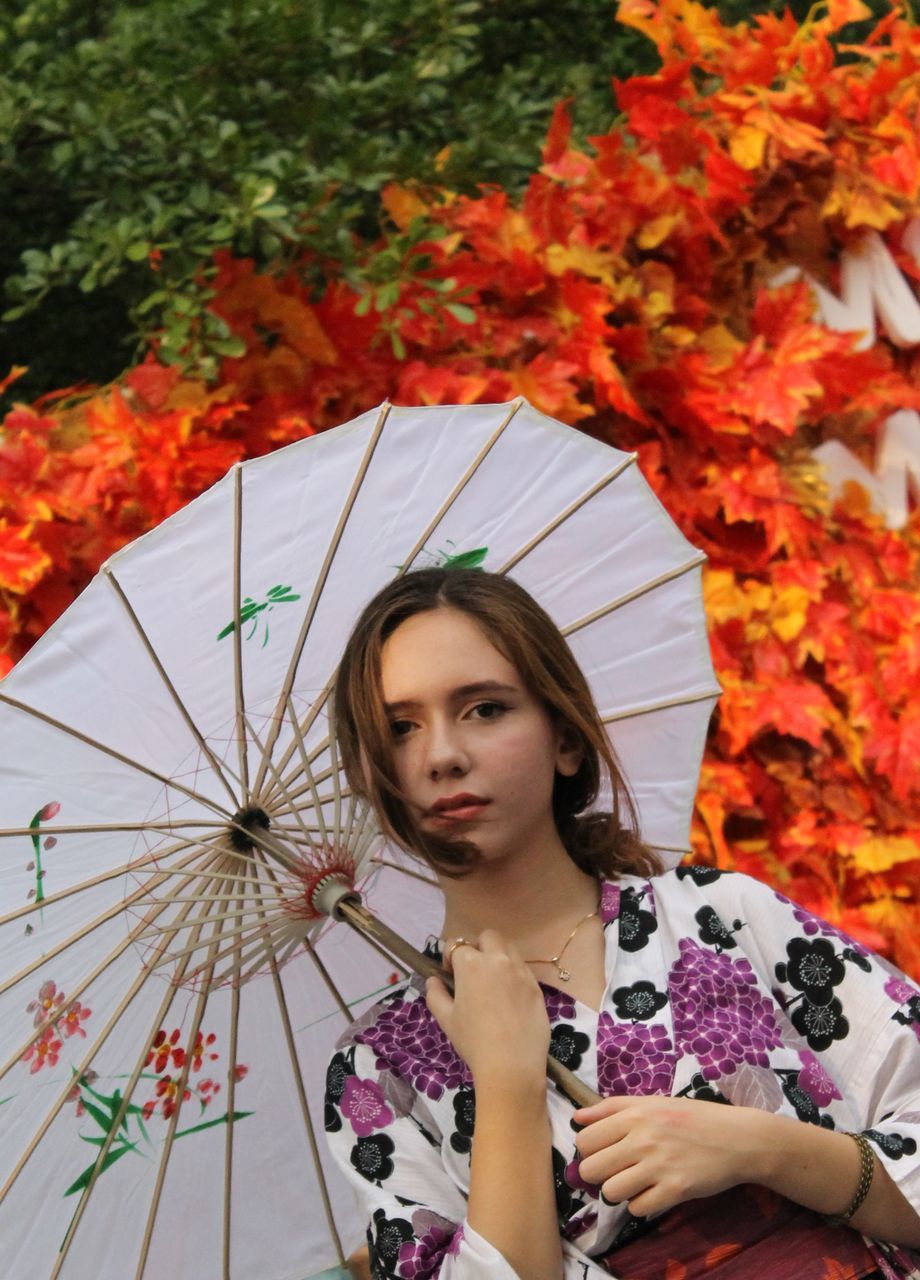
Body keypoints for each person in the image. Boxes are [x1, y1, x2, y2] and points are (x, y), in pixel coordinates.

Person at [324, 568, 920, 1280]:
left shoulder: (721, 915)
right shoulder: (380, 1067)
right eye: (400, 727)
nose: (443, 755)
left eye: (484, 709)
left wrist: (759, 1147)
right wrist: (508, 1083)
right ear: (368, 771)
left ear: (565, 740)